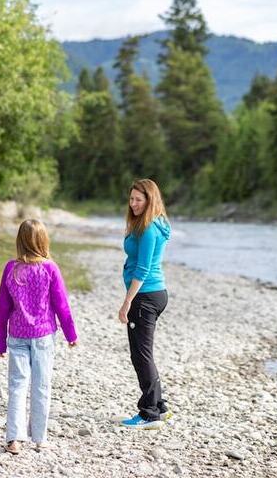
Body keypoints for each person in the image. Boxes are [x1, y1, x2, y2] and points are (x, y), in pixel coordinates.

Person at [0, 219, 78, 455]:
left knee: (17, 386)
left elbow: (2, 307)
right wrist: (71, 333)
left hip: (17, 335)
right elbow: (62, 305)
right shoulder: (50, 268)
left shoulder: (11, 268)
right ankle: (39, 438)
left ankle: (14, 438)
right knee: (41, 386)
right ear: (43, 241)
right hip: (43, 335)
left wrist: (0, 341)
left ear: (20, 241)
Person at [117, 179, 171, 430]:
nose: (134, 204)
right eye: (131, 199)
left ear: (150, 200)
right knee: (144, 353)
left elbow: (143, 268)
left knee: (141, 355)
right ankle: (158, 405)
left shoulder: (149, 228)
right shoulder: (156, 224)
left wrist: (127, 302)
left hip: (145, 296)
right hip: (154, 294)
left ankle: (150, 413)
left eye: (139, 199)